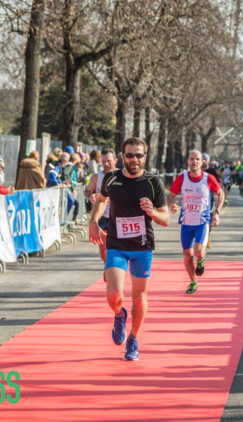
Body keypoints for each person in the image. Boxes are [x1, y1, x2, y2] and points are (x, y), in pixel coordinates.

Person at [89, 137, 169, 361]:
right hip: (117, 245)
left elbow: (166, 219)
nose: (134, 159)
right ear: (122, 157)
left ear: (145, 157)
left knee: (139, 299)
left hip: (142, 247)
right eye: (130, 155)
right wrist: (93, 222)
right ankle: (119, 315)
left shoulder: (153, 182)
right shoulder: (112, 178)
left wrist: (153, 212)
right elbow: (101, 200)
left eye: (139, 155)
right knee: (114, 295)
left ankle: (133, 339)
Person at [167, 150, 224, 294]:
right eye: (192, 159)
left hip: (202, 222)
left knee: (198, 251)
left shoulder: (208, 178)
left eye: (197, 159)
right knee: (187, 255)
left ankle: (200, 260)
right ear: (188, 161)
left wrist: (216, 213)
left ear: (202, 162)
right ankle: (193, 282)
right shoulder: (182, 178)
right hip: (186, 223)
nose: (194, 162)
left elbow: (220, 193)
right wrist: (171, 205)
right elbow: (170, 195)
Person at [84, 148, 117, 264]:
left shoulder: (123, 175)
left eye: (109, 161)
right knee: (103, 250)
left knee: (117, 249)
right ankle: (108, 268)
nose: (106, 164)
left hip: (118, 217)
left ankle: (112, 270)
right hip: (102, 217)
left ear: (115, 161)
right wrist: (90, 196)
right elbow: (87, 191)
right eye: (103, 161)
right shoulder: (96, 177)